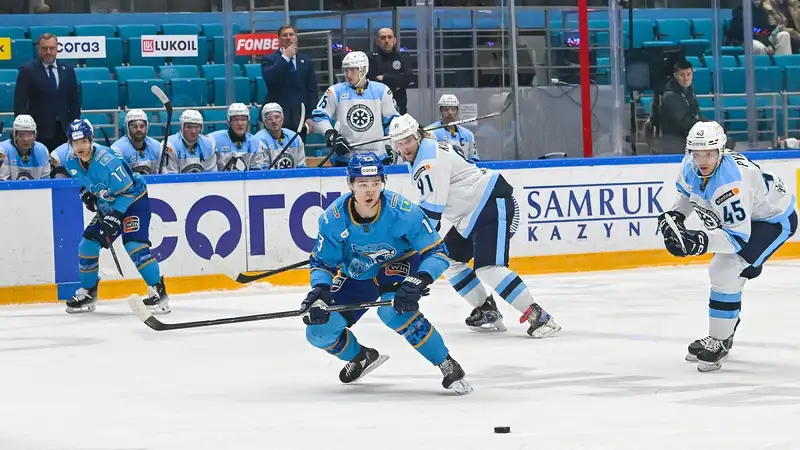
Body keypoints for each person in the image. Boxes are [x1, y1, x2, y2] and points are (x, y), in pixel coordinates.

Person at [303, 152, 472, 394]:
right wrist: (319, 291)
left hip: (398, 266)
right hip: (357, 274)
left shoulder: (404, 212)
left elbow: (438, 251)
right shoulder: (333, 219)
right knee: (318, 331)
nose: (369, 191)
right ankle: (361, 357)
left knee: (393, 310)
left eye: (375, 184)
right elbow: (323, 262)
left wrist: (419, 280)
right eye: (362, 184)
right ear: (349, 184)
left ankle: (446, 362)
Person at [390, 113, 561, 338]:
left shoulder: (428, 162)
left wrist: (410, 250)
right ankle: (486, 309)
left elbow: (432, 215)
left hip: (490, 202)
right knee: (449, 260)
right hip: (469, 213)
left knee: (489, 268)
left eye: (408, 140)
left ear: (418, 136)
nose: (404, 147)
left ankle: (539, 316)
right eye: (399, 143)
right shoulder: (426, 147)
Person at [658, 121, 797, 372]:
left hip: (773, 221)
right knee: (729, 273)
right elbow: (689, 194)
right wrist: (677, 215)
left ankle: (720, 339)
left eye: (709, 153)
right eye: (696, 153)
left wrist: (697, 242)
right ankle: (723, 330)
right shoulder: (689, 164)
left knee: (725, 269)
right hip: (752, 215)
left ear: (721, 151)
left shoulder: (732, 184)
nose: (702, 160)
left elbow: (737, 238)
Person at [62, 118, 170, 315]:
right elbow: (90, 180)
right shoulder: (70, 161)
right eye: (76, 142)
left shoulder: (107, 160)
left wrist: (116, 215)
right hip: (110, 203)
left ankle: (158, 292)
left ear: (91, 140)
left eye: (84, 141)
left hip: (134, 200)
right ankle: (88, 292)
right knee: (88, 245)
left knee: (134, 245)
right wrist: (87, 193)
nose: (80, 147)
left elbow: (128, 189)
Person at [311, 51, 400, 166]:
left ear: (363, 69)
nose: (348, 75)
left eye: (352, 70)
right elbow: (319, 117)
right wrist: (332, 136)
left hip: (377, 157)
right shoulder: (334, 91)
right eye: (346, 70)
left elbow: (392, 121)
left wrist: (392, 146)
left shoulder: (382, 90)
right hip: (345, 159)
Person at [13, 33, 80, 151]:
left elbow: (74, 101)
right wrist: (26, 130)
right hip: (39, 132)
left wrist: (71, 124)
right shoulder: (27, 70)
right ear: (39, 48)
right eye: (44, 48)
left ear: (57, 48)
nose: (48, 52)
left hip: (64, 131)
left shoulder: (68, 70)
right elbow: (20, 102)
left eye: (52, 48)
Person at [261, 24, 318, 140]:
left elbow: (312, 90)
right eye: (284, 35)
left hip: (300, 117)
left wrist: (310, 116)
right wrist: (285, 58)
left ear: (295, 37)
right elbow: (270, 78)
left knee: (298, 152)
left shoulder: (306, 61)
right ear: (279, 39)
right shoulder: (269, 59)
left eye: (291, 35)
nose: (288, 37)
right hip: (276, 116)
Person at [658, 60, 705, 155]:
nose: (686, 78)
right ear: (675, 75)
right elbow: (683, 123)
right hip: (675, 142)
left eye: (689, 74)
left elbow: (695, 113)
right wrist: (705, 126)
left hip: (689, 138)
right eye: (682, 75)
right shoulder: (670, 96)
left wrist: (711, 125)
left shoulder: (690, 90)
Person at [367, 27, 413, 115]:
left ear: (394, 40)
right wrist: (397, 82)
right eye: (383, 38)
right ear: (377, 41)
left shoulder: (402, 56)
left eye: (389, 37)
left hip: (399, 102)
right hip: (376, 103)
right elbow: (371, 81)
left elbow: (408, 78)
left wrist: (384, 77)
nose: (386, 40)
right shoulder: (370, 57)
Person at [208, 103, 265, 171]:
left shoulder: (255, 142)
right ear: (229, 122)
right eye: (236, 120)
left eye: (243, 119)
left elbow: (256, 172)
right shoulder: (214, 140)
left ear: (248, 121)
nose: (240, 123)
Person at [253, 102, 306, 169]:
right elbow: (263, 171)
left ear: (282, 118)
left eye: (277, 117)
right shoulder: (259, 139)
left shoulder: (295, 138)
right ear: (264, 121)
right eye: (269, 118)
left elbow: (301, 167)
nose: (274, 121)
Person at [428, 94, 479, 163]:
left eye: (453, 109)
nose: (450, 113)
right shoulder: (430, 133)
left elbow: (473, 159)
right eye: (446, 110)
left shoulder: (468, 135)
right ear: (440, 111)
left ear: (457, 111)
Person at [110, 109, 163, 175]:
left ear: (147, 127)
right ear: (127, 128)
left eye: (142, 126)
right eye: (134, 126)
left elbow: (159, 175)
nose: (139, 129)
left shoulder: (156, 147)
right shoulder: (117, 149)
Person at [0, 114, 51, 180]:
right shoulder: (3, 150)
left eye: (29, 135)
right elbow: (3, 183)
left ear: (35, 135)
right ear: (14, 135)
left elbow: (46, 183)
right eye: (21, 135)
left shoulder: (42, 151)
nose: (26, 139)